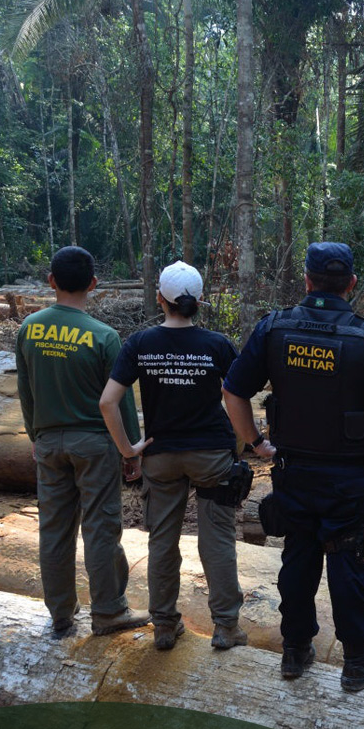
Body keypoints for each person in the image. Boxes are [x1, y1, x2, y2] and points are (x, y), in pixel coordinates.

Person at [222, 242, 364, 692]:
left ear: (306, 281)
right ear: (350, 284)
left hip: (294, 470)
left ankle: (295, 651)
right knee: (347, 562)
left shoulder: (274, 329)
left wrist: (254, 442)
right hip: (349, 476)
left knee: (299, 555)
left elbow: (233, 393)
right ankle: (357, 662)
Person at [100, 261, 247, 652]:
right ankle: (226, 627)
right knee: (216, 540)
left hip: (161, 456)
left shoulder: (140, 344)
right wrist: (248, 440)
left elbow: (108, 402)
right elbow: (238, 397)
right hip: (212, 456)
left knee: (162, 542)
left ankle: (164, 624)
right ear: (200, 300)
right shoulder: (216, 344)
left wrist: (127, 449)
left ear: (160, 299)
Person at [16, 246, 150, 637]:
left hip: (49, 443)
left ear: (51, 281)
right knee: (101, 528)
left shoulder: (30, 328)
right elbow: (120, 401)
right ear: (93, 284)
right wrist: (131, 450)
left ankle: (61, 614)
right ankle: (108, 611)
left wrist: (35, 437)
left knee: (54, 530)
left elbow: (26, 393)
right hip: (94, 445)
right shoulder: (104, 337)